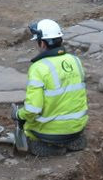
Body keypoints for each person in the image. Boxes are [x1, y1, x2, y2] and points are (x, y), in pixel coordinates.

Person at [13, 19, 88, 155]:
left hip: (49, 133)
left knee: (27, 126)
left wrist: (18, 114)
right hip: (77, 128)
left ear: (42, 43)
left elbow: (33, 109)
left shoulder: (38, 68)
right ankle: (72, 141)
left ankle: (49, 147)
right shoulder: (75, 61)